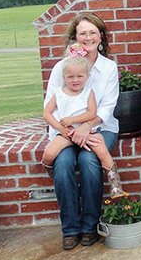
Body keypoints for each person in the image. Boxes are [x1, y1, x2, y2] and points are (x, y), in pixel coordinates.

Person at [43, 13, 120, 250]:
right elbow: (51, 107)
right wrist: (68, 132)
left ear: (101, 37)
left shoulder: (108, 68)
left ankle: (89, 226)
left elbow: (107, 106)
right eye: (82, 33)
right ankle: (70, 228)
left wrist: (87, 127)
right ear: (74, 37)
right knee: (64, 163)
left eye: (92, 32)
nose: (88, 37)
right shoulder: (61, 67)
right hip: (65, 132)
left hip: (101, 127)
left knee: (88, 160)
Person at [42, 50, 123, 199]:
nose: (75, 80)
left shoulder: (88, 93)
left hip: (88, 131)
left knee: (101, 151)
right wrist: (63, 129)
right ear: (64, 77)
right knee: (50, 153)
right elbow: (47, 113)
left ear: (87, 77)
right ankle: (51, 172)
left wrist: (73, 120)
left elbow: (92, 113)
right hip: (65, 133)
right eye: (70, 77)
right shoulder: (59, 93)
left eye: (80, 76)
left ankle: (115, 184)